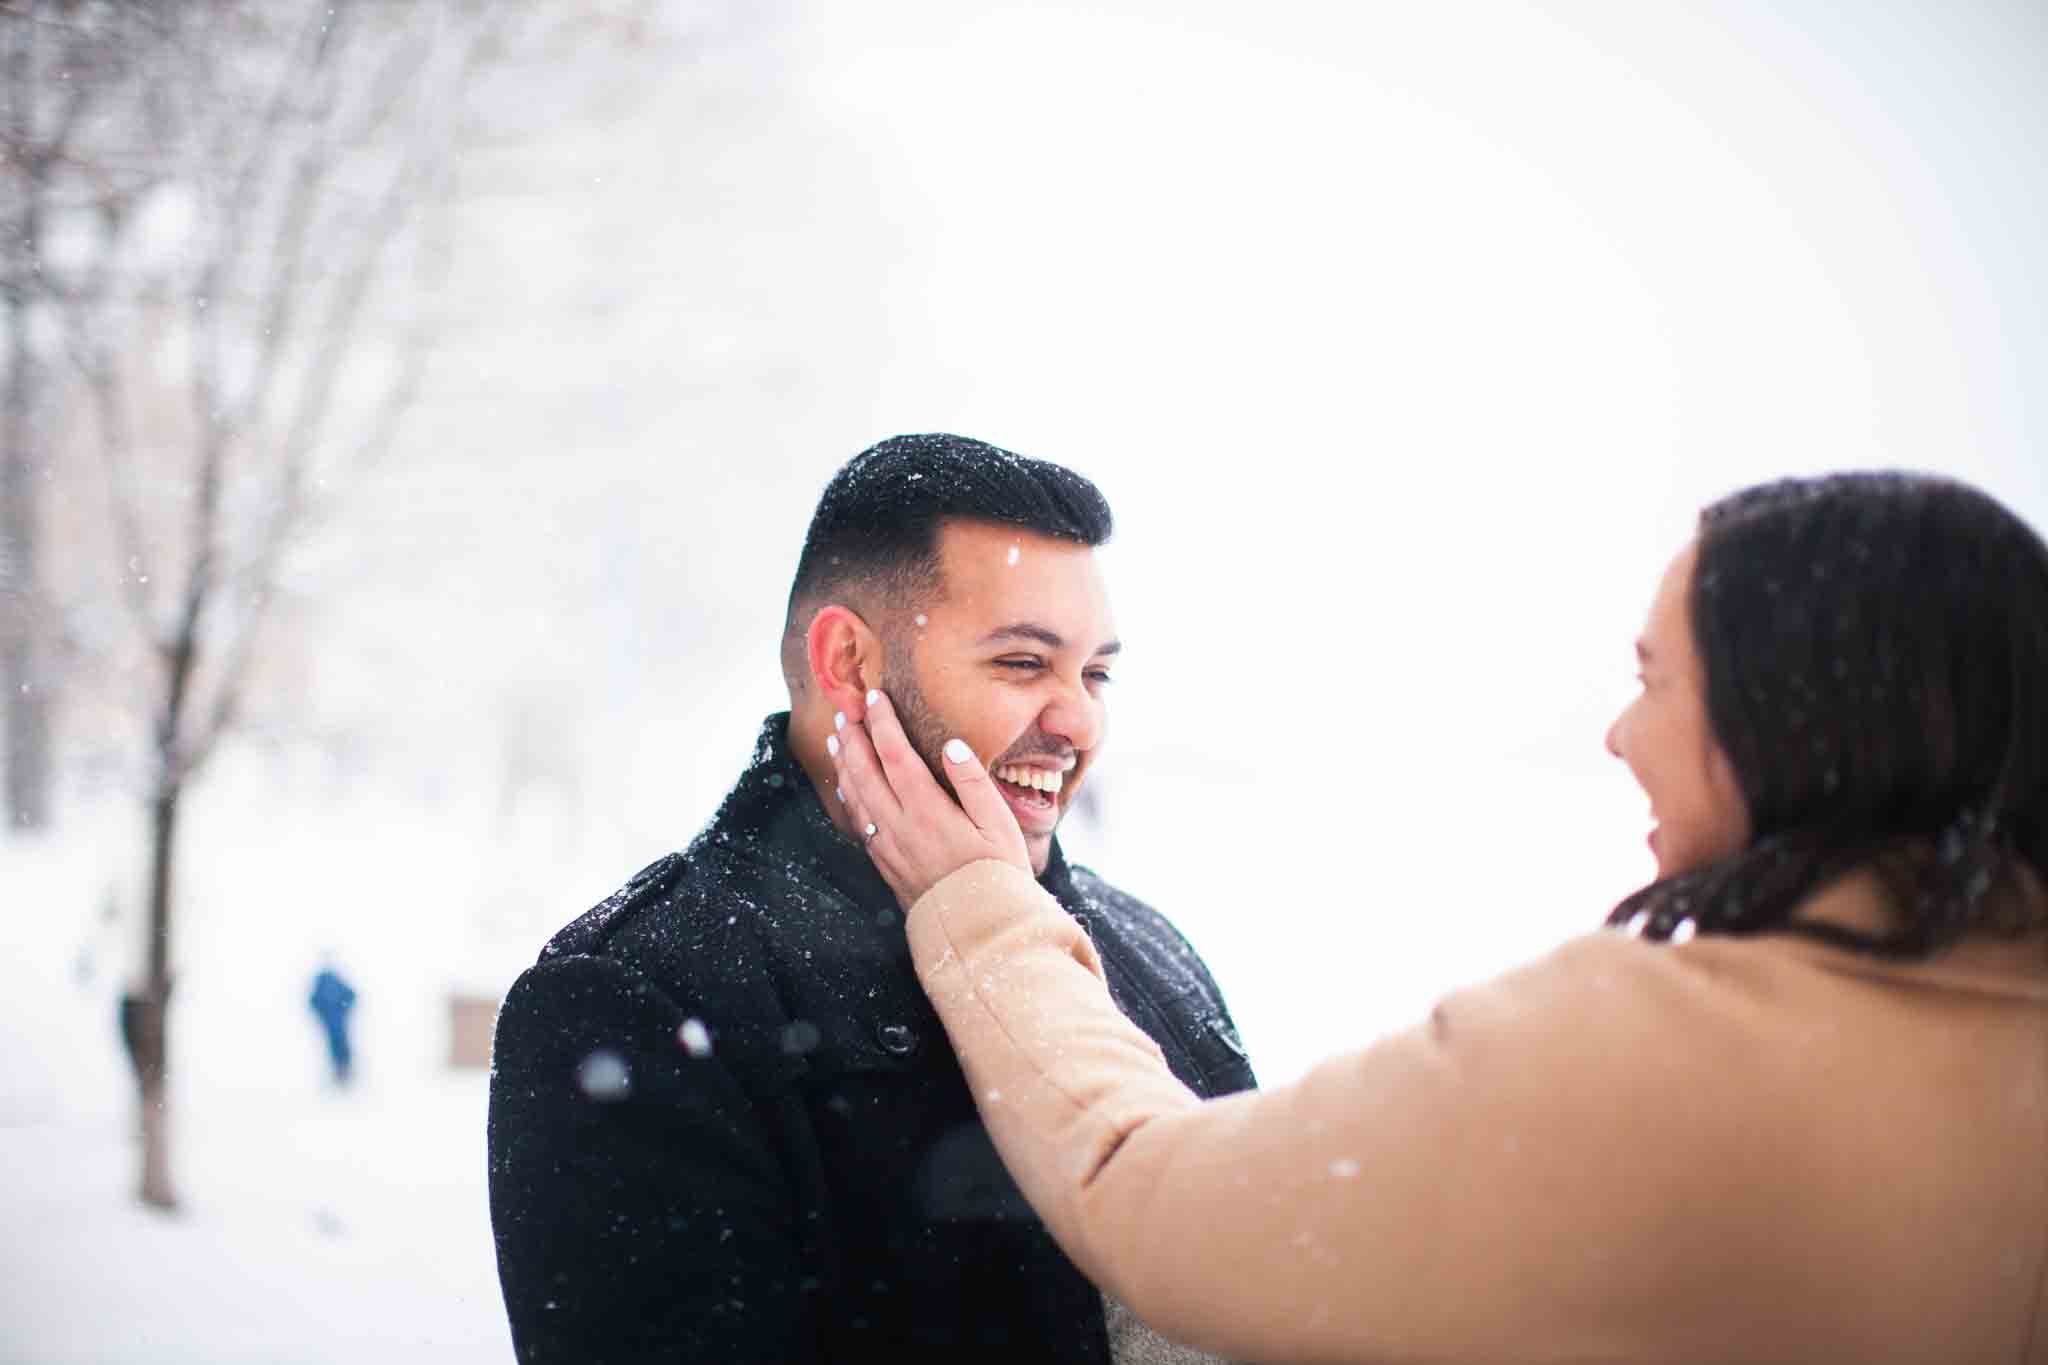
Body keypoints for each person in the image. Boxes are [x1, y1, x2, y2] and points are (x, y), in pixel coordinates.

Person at [832, 470, 2048, 1363]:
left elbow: (1143, 1197)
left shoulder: (1646, 1060)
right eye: (1024, 664)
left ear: (1787, 724)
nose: (1621, 736)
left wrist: (979, 913)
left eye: (1653, 680)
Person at [486, 433, 1256, 1363]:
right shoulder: (635, 999)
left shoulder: (1146, 946)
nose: (1079, 721)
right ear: (848, 662)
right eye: (1023, 662)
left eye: (1096, 673)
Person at [308, 962, 357, 1087]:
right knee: (336, 1044)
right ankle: (340, 1071)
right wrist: (324, 1013)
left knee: (340, 1043)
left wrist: (343, 1010)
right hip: (331, 1022)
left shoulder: (333, 981)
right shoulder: (321, 982)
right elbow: (314, 1001)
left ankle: (345, 1071)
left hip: (337, 1021)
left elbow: (351, 995)